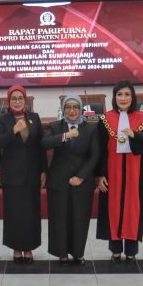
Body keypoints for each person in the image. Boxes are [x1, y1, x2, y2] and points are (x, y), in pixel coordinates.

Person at [96, 81, 143, 262]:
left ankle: (131, 250)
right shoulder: (105, 118)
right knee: (113, 209)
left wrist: (134, 134)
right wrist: (99, 175)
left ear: (133, 97)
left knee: (133, 210)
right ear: (114, 97)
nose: (123, 98)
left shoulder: (142, 117)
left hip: (135, 172)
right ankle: (115, 249)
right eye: (119, 94)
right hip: (111, 172)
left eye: (127, 94)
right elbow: (99, 149)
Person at [41, 95, 100, 265]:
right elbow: (44, 143)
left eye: (75, 107)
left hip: (82, 182)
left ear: (81, 109)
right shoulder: (55, 126)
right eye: (68, 107)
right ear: (63, 109)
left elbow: (95, 156)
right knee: (59, 218)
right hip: (58, 181)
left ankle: (78, 253)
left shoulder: (91, 129)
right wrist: (65, 136)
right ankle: (62, 253)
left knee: (80, 218)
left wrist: (81, 176)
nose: (72, 111)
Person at [0, 85, 46, 263]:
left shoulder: (34, 118)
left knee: (31, 213)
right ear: (9, 101)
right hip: (12, 175)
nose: (17, 101)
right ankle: (16, 248)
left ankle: (29, 247)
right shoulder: (2, 120)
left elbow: (41, 146)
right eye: (13, 98)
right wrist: (13, 130)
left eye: (20, 98)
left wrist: (43, 170)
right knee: (14, 213)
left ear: (25, 100)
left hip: (32, 174)